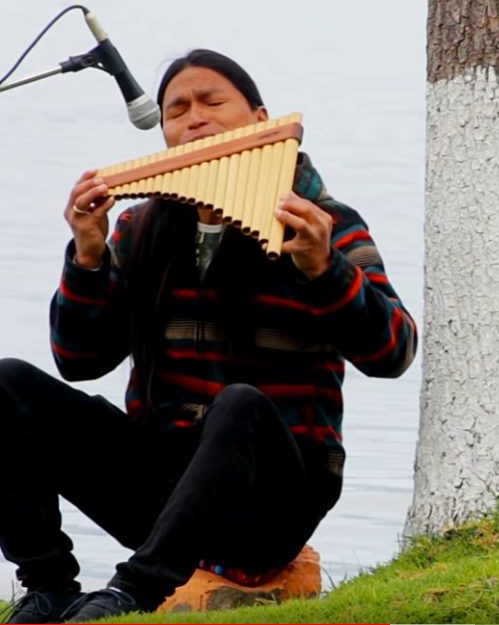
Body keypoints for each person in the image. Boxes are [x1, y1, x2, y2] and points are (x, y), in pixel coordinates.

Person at [0, 49, 417, 623]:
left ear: (260, 119)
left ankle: (131, 592)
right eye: (177, 110)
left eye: (213, 101)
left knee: (239, 403)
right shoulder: (138, 227)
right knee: (7, 383)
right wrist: (89, 258)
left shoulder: (323, 222)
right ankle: (49, 587)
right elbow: (79, 360)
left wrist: (325, 269)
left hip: (271, 503)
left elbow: (393, 353)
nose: (195, 118)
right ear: (166, 136)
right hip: (163, 492)